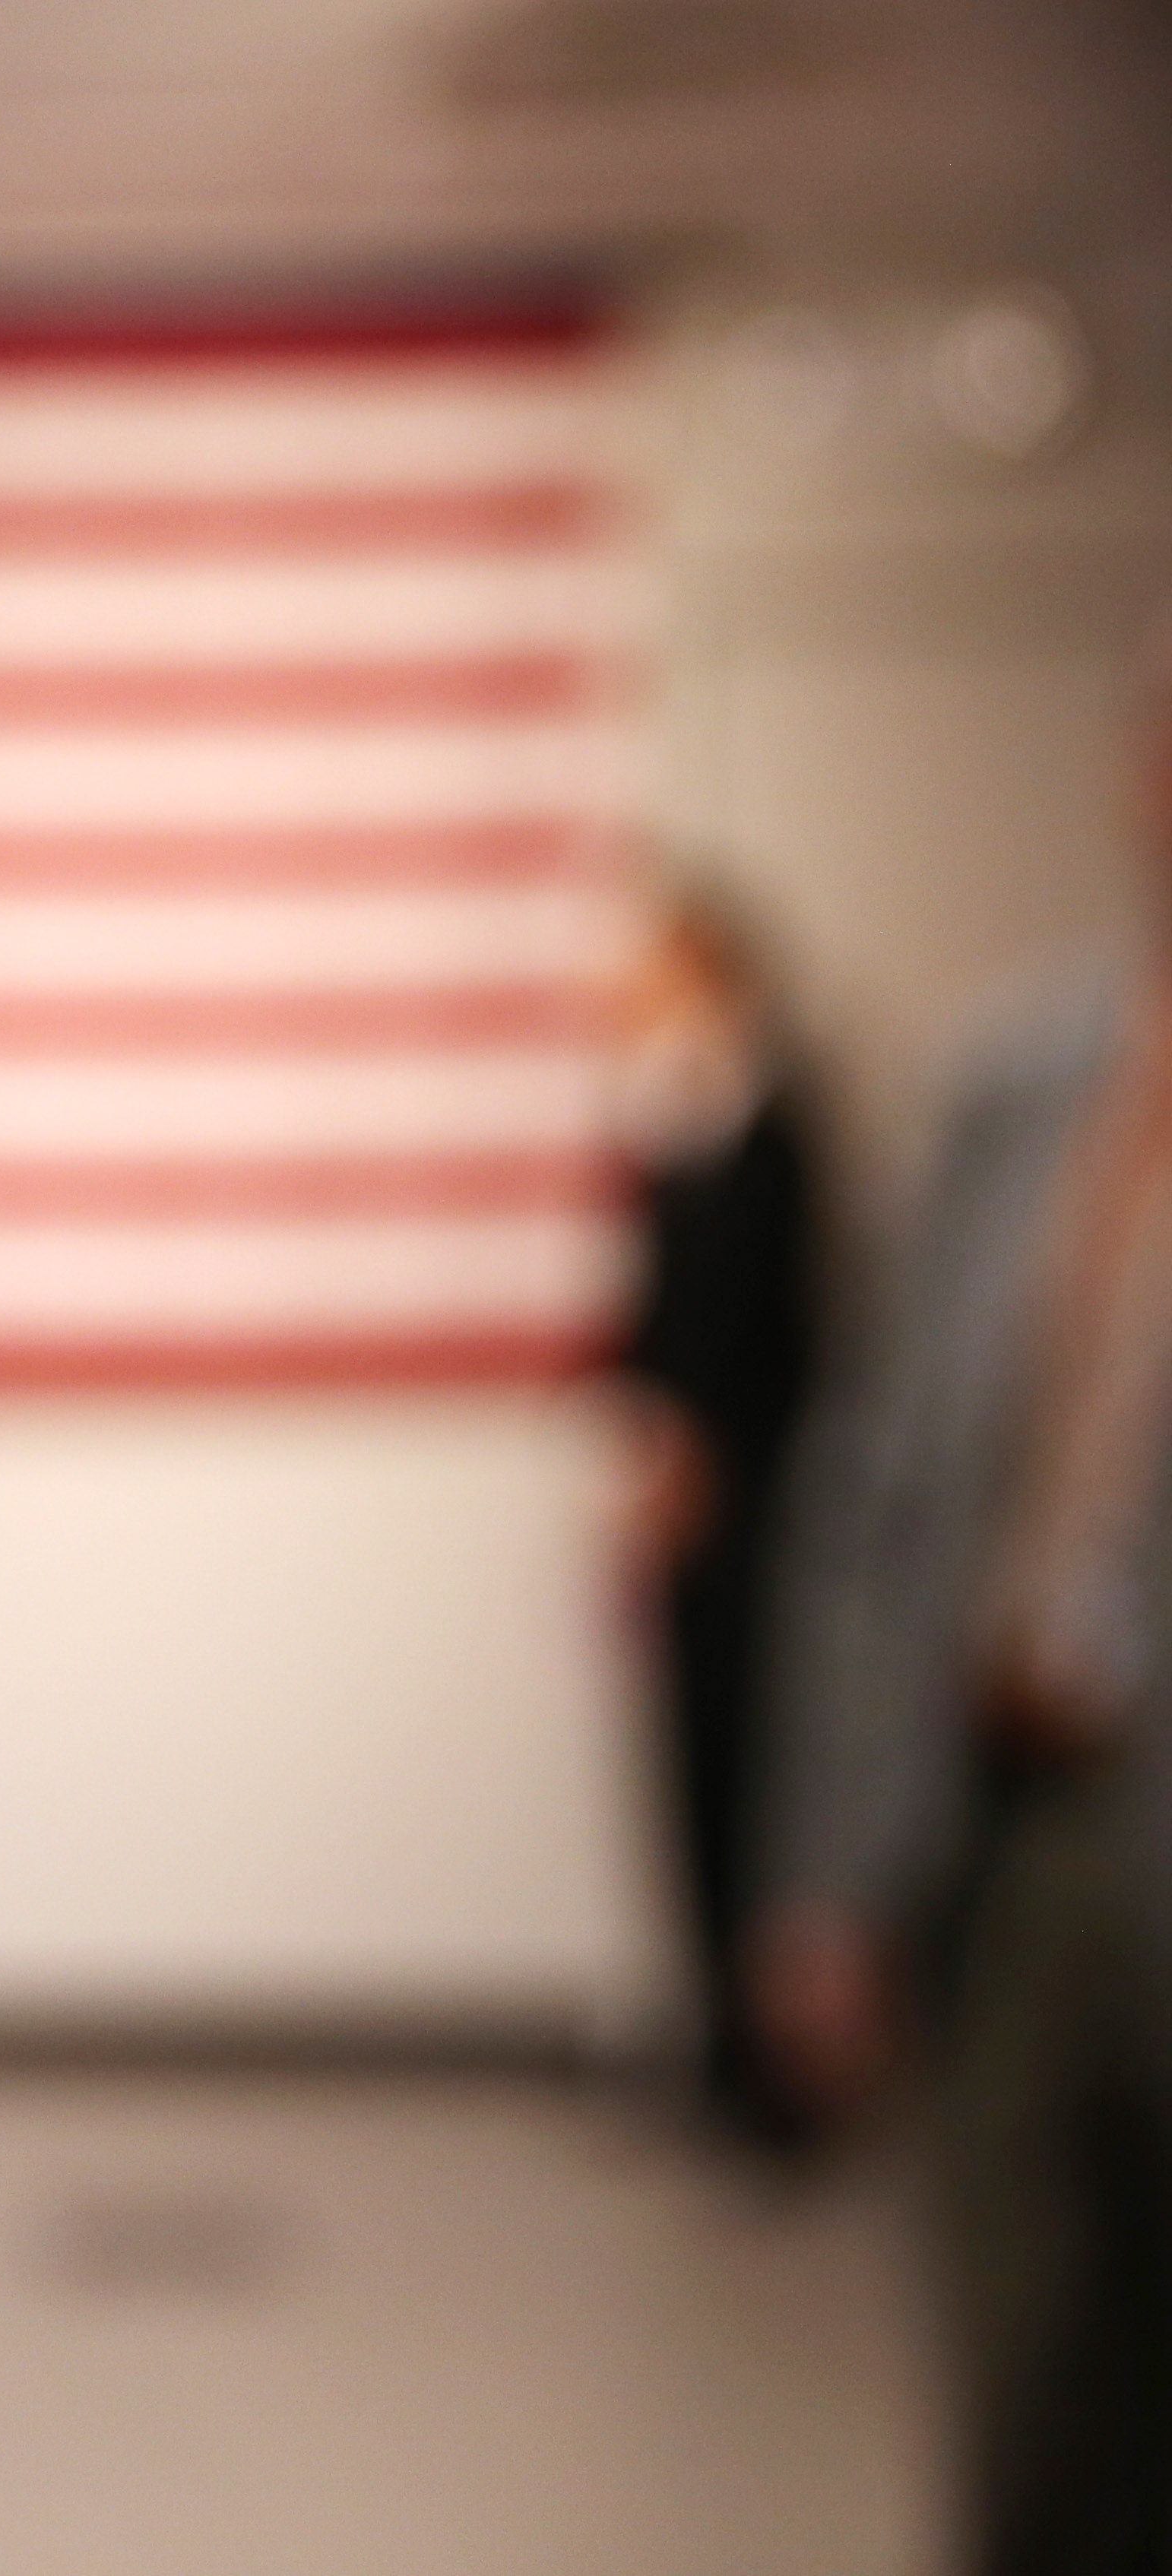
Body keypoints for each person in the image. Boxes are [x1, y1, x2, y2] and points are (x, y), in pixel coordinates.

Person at [759, 637, 1172, 2573]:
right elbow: (878, 1496)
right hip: (1004, 1843)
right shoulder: (1022, 1077)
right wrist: (828, 1871)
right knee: (1027, 2408)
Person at [607, 878, 821, 2145]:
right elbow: (650, 1325)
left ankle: (766, 2071)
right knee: (683, 1778)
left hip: (754, 1514)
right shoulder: (664, 1133)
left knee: (756, 1781)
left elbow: (785, 1327)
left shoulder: (777, 1129)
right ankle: (705, 2044)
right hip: (674, 1509)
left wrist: (711, 1454)